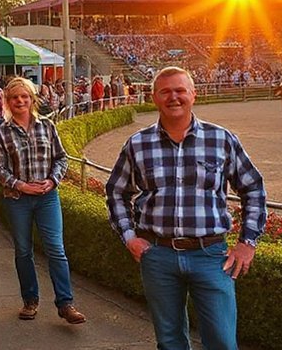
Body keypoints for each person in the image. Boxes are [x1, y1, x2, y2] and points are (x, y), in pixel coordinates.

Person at [105, 66, 267, 350]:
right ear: (154, 97)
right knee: (169, 341)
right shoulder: (138, 144)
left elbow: (252, 188)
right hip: (158, 255)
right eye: (165, 92)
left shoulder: (221, 140)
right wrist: (129, 237)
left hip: (211, 255)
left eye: (180, 91)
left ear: (194, 95)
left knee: (222, 342)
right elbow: (116, 192)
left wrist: (247, 243)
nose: (174, 97)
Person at [0, 77, 86, 325]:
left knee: (56, 249)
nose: (20, 101)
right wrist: (19, 185)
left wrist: (53, 180)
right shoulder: (2, 132)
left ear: (32, 99)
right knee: (23, 251)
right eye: (14, 98)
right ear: (8, 102)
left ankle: (65, 304)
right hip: (18, 199)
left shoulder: (47, 126)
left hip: (47, 198)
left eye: (24, 96)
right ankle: (30, 301)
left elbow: (62, 158)